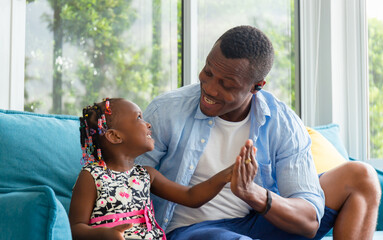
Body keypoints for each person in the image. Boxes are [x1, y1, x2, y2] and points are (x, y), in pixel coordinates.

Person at [136, 25, 381, 239]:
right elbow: (126, 181)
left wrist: (253, 193)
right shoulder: (166, 111)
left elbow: (309, 223)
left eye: (227, 84)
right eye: (208, 72)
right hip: (192, 230)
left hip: (258, 220)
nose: (209, 88)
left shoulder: (282, 123)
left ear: (257, 86)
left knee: (361, 176)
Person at [68, 98, 246, 240]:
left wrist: (226, 175)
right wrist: (104, 235)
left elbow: (191, 196)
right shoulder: (91, 176)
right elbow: (75, 228)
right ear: (115, 136)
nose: (148, 124)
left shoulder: (146, 175)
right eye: (139, 118)